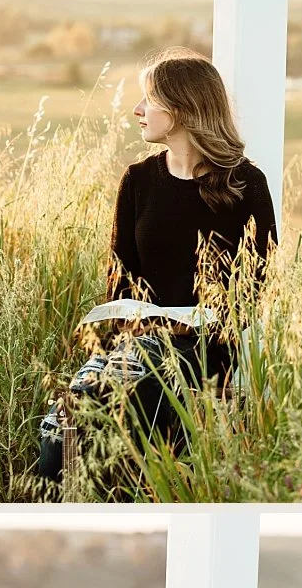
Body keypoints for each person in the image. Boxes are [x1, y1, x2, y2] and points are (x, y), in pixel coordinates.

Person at [62, 51, 278, 476]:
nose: (137, 110)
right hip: (135, 345)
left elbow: (257, 286)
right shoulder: (138, 180)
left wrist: (191, 327)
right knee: (65, 421)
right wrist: (131, 336)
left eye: (150, 100)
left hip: (206, 354)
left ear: (181, 110)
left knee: (118, 413)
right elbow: (120, 280)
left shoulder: (246, 184)